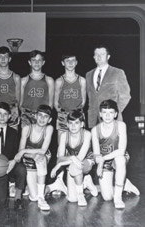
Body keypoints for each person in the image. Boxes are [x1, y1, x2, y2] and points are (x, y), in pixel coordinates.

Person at [91, 100, 139, 209]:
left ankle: (118, 197)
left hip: (118, 159)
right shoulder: (95, 130)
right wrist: (100, 162)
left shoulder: (121, 125)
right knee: (107, 197)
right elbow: (96, 154)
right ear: (100, 114)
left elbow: (121, 151)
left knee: (120, 159)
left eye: (111, 112)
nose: (107, 115)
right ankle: (124, 184)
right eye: (104, 112)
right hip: (104, 162)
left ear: (116, 114)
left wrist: (102, 159)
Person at [50, 54, 86, 195]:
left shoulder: (81, 80)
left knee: (77, 146)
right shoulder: (59, 81)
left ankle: (78, 177)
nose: (70, 63)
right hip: (64, 116)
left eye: (72, 61)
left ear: (76, 62)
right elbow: (55, 103)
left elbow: (83, 100)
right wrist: (64, 113)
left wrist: (75, 112)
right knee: (62, 148)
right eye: (67, 61)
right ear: (62, 63)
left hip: (77, 115)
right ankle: (59, 180)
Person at [50, 110, 98, 207]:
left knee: (75, 167)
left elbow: (79, 159)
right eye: (70, 123)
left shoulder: (87, 134)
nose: (73, 126)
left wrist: (60, 164)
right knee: (72, 199)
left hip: (86, 161)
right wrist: (70, 158)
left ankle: (81, 194)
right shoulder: (64, 135)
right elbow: (59, 158)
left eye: (76, 123)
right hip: (71, 163)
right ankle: (85, 182)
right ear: (67, 124)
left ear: (82, 124)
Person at [14, 105, 53, 211]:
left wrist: (24, 151)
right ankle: (48, 188)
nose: (42, 118)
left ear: (49, 119)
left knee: (41, 158)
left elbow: (43, 151)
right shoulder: (26, 128)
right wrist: (28, 154)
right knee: (33, 197)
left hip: (42, 160)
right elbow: (20, 152)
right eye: (40, 115)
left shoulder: (49, 128)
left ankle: (42, 198)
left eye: (45, 116)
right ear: (35, 116)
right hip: (28, 161)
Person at [86, 45, 131, 129]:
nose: (99, 57)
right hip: (93, 120)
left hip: (112, 120)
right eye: (96, 54)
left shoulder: (118, 72)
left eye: (102, 54)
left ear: (108, 56)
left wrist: (113, 112)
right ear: (94, 57)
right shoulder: (88, 75)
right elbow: (90, 97)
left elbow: (125, 96)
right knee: (95, 142)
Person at [0, 46, 21, 129]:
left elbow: (18, 98)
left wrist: (15, 108)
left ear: (9, 59)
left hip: (11, 112)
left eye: (5, 57)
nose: (3, 59)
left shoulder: (16, 78)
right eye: (0, 57)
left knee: (12, 139)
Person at [20, 50, 54, 128]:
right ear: (29, 62)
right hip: (27, 115)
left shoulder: (49, 80)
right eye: (34, 60)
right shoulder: (23, 80)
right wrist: (25, 113)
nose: (36, 63)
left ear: (43, 62)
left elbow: (50, 103)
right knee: (26, 138)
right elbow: (20, 102)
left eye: (39, 60)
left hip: (42, 116)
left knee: (41, 139)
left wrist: (43, 115)